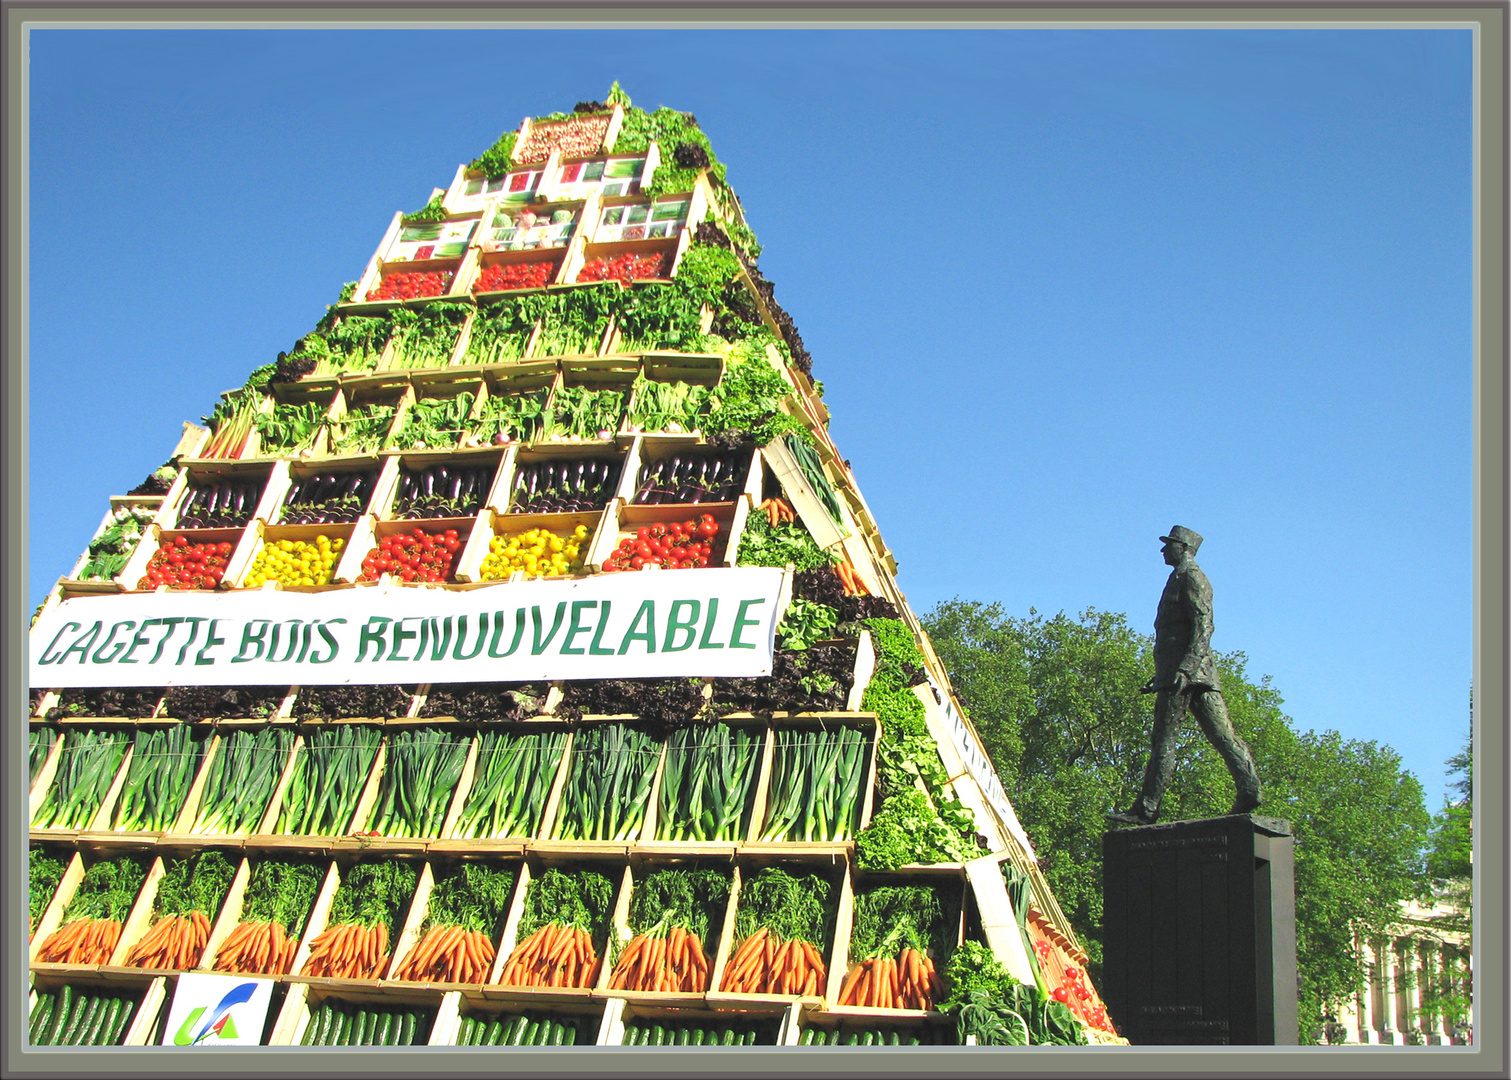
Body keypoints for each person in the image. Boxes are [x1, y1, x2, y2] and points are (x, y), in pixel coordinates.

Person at [1107, 526, 1262, 826]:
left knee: (1164, 740)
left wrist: (1185, 668)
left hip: (1187, 673)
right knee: (1221, 734)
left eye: (1169, 545)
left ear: (1183, 548)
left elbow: (1204, 625)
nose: (1163, 551)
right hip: (1186, 672)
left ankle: (1146, 809)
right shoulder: (1179, 577)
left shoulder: (1192, 577)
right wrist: (1162, 673)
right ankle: (1249, 789)